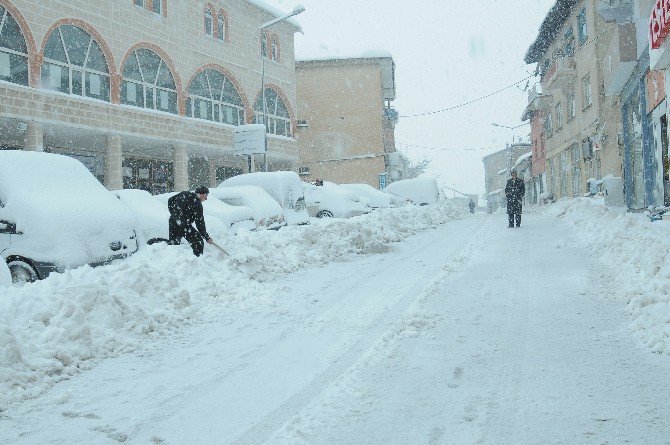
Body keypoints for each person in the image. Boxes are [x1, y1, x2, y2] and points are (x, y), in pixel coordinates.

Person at [167, 186, 213, 256]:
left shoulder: (184, 194)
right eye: (206, 195)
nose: (206, 198)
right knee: (198, 242)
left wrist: (174, 214)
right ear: (202, 194)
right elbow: (199, 223)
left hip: (173, 221)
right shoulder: (197, 204)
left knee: (174, 245)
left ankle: (171, 261)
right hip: (183, 225)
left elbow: (170, 200)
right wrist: (206, 237)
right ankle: (198, 261)